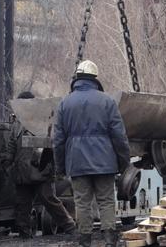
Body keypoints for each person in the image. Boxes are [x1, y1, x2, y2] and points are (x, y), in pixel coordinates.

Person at [53, 60, 130, 247]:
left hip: (77, 162)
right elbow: (119, 136)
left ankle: (84, 241)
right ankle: (110, 240)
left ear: (77, 78)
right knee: (106, 201)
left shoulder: (65, 103)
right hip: (105, 162)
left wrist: (61, 166)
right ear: (95, 78)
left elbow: (58, 140)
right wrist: (123, 162)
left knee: (82, 203)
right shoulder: (107, 101)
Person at [2, 91, 76, 239]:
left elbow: (52, 143)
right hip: (22, 171)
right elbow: (11, 143)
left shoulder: (44, 121)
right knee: (22, 204)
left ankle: (70, 227)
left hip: (41, 169)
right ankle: (24, 234)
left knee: (49, 200)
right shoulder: (17, 124)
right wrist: (8, 161)